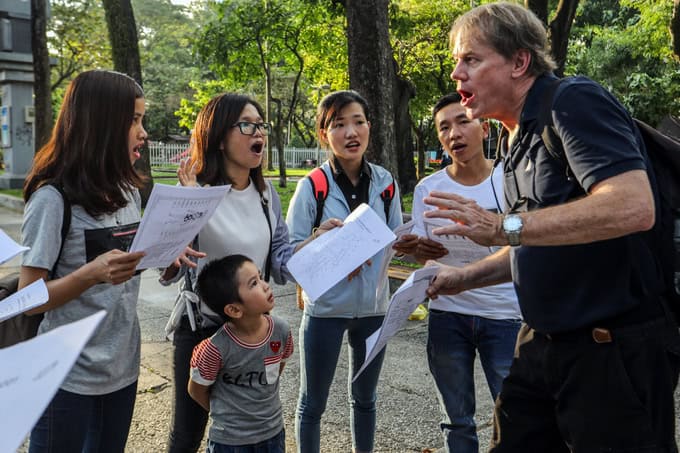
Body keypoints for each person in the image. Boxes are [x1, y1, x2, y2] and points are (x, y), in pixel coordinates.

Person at [424, 3, 680, 452]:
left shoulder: (572, 101)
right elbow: (537, 241)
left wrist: (505, 226)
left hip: (612, 349)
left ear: (520, 62)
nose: (456, 74)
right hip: (543, 343)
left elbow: (633, 206)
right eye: (455, 62)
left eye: (471, 59)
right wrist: (463, 278)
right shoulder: (514, 138)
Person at [161, 93, 339, 453]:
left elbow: (282, 263)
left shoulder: (265, 194)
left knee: (251, 431)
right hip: (203, 330)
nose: (258, 132)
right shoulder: (195, 189)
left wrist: (317, 240)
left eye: (261, 125)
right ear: (219, 136)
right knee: (188, 433)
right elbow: (167, 271)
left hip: (252, 330)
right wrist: (188, 209)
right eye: (247, 124)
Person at [20, 70, 147, 452]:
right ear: (103, 124)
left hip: (122, 368)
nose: (143, 132)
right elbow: (28, 299)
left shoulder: (129, 192)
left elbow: (126, 269)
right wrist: (88, 275)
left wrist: (169, 258)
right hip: (64, 375)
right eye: (135, 120)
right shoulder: (52, 199)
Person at [393, 93, 521, 453]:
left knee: (515, 416)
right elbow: (427, 259)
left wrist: (494, 226)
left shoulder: (510, 179)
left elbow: (529, 233)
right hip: (449, 316)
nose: (454, 133)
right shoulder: (429, 189)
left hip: (506, 315)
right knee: (456, 420)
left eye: (462, 121)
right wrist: (418, 253)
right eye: (444, 127)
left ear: (484, 126)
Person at [286, 90, 403, 453]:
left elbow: (397, 238)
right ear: (324, 134)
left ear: (369, 127)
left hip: (374, 310)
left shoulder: (386, 183)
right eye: (339, 125)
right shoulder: (312, 187)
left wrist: (376, 253)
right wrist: (322, 243)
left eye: (358, 122)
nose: (351, 132)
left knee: (365, 399)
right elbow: (288, 255)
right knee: (312, 404)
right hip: (325, 312)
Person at [188, 254, 294, 453]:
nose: (265, 286)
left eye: (261, 277)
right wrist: (226, 415)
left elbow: (275, 372)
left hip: (272, 433)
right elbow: (196, 390)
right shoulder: (214, 349)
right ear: (234, 310)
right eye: (254, 283)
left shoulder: (282, 331)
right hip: (229, 442)